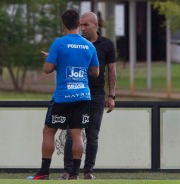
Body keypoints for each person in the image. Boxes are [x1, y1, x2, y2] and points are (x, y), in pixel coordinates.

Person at [29, 9, 99, 180]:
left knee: (48, 131)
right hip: (83, 95)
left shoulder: (59, 44)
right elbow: (95, 72)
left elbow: (47, 69)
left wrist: (55, 59)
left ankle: (44, 171)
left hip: (63, 97)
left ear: (63, 25)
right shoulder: (89, 45)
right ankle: (74, 173)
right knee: (77, 134)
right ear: (78, 24)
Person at [59, 11, 116, 180]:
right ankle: (68, 171)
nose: (82, 28)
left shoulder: (107, 44)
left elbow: (112, 71)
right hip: (75, 93)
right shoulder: (76, 43)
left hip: (97, 95)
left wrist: (112, 95)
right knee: (72, 134)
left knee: (92, 135)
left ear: (95, 25)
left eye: (86, 25)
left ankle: (88, 171)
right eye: (80, 25)